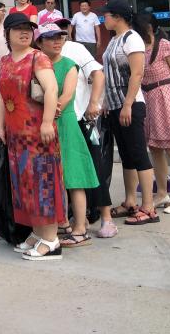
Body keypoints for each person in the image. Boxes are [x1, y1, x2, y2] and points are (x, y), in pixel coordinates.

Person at [0, 13, 64, 261]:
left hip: (38, 134)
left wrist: (47, 122)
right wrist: (1, 126)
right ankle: (37, 232)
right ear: (7, 34)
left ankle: (51, 240)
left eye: (28, 28)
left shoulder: (38, 57)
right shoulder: (4, 61)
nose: (25, 32)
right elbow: (2, 96)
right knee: (24, 186)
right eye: (18, 29)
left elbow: (52, 89)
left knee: (43, 183)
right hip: (16, 136)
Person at [35, 24, 99, 247]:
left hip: (65, 123)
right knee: (53, 178)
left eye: (60, 37)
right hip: (44, 124)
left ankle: (80, 228)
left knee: (74, 177)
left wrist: (48, 112)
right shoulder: (37, 65)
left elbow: (67, 96)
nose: (57, 41)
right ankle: (62, 223)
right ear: (40, 42)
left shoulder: (69, 65)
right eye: (51, 37)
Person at [51, 19, 112, 237]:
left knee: (93, 168)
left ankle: (106, 218)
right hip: (58, 122)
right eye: (53, 32)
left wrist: (94, 103)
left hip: (80, 118)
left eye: (62, 30)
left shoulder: (75, 49)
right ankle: (79, 217)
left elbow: (98, 74)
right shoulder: (40, 56)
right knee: (66, 173)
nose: (59, 36)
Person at [101, 0, 157, 225]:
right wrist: (107, 101)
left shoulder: (132, 38)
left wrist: (128, 104)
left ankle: (149, 207)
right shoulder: (114, 39)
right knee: (126, 155)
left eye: (106, 15)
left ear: (118, 17)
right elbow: (109, 74)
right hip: (115, 104)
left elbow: (137, 74)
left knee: (138, 153)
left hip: (130, 104)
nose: (104, 19)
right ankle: (130, 201)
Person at [132, 14, 170, 214]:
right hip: (146, 97)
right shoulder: (137, 47)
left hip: (164, 97)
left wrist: (165, 90)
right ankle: (162, 193)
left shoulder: (165, 45)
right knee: (155, 149)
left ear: (149, 27)